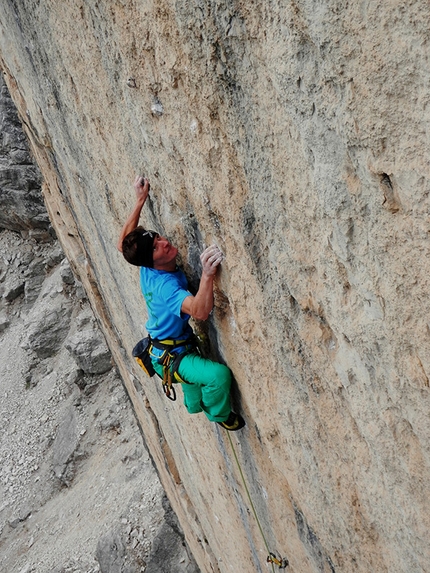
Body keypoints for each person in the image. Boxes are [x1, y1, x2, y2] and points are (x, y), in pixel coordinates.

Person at [117, 175, 245, 431]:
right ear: (150, 261)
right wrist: (208, 275)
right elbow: (200, 310)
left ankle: (194, 403)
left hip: (166, 349)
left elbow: (123, 245)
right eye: (156, 248)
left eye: (158, 239)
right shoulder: (166, 288)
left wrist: (140, 200)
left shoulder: (144, 266)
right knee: (218, 377)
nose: (165, 243)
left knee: (192, 389)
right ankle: (219, 416)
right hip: (173, 355)